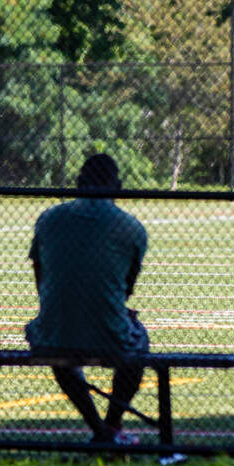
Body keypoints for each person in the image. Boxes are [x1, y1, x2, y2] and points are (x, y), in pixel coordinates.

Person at [25, 153, 149, 446]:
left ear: (78, 183)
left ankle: (99, 429)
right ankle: (112, 425)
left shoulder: (49, 218)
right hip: (108, 334)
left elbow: (40, 278)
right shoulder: (131, 228)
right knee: (139, 342)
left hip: (53, 333)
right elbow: (126, 289)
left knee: (59, 349)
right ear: (117, 186)